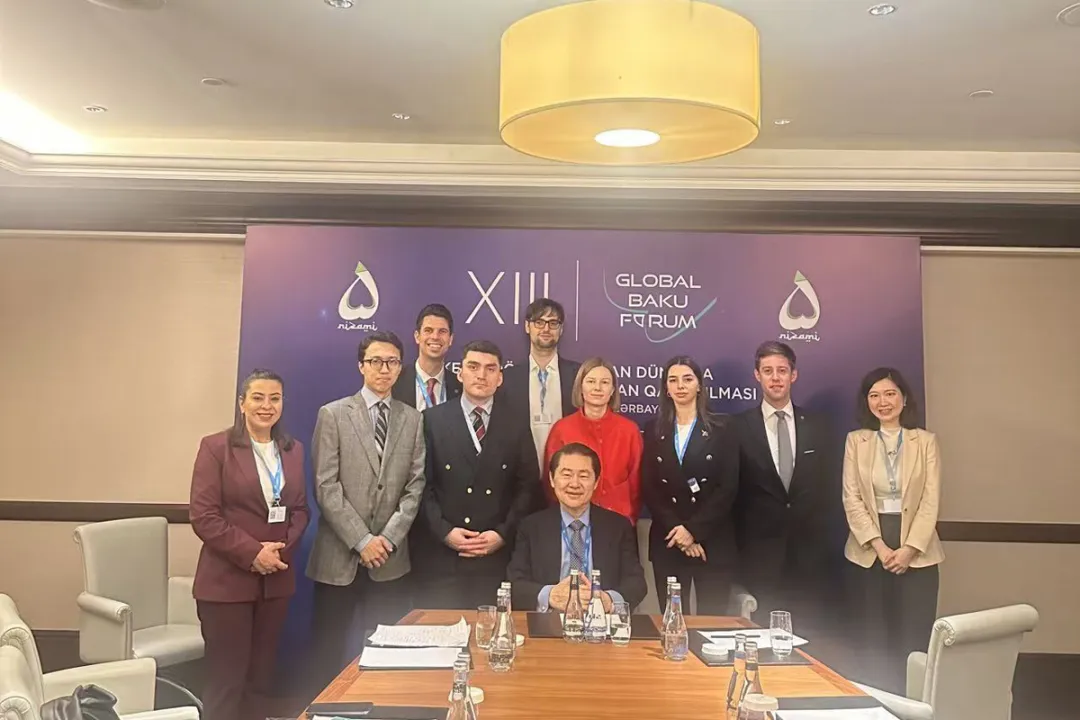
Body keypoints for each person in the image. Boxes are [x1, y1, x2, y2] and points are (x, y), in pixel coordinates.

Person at [306, 331, 426, 686]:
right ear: (361, 366)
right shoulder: (333, 414)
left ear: (400, 368)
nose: (384, 369)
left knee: (388, 657)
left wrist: (386, 540)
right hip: (338, 559)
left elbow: (415, 486)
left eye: (391, 362)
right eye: (375, 361)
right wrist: (362, 541)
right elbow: (326, 486)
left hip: (390, 560)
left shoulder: (413, 419)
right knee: (327, 655)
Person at [188, 369, 309, 720]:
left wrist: (278, 552)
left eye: (275, 398)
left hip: (275, 581)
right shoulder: (216, 447)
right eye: (258, 397)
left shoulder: (293, 450)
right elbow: (204, 515)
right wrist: (254, 553)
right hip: (227, 584)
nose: (266, 406)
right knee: (227, 682)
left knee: (260, 682)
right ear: (242, 403)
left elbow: (300, 510)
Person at [414, 340, 539, 608]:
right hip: (442, 559)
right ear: (459, 373)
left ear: (500, 378)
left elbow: (528, 486)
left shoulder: (516, 423)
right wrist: (445, 532)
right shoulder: (432, 420)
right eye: (473, 367)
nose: (481, 375)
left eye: (490, 368)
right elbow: (421, 485)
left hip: (496, 559)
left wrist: (502, 534)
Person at [843, 367, 943, 692]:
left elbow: (930, 499)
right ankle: (874, 703)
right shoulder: (856, 441)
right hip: (869, 550)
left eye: (889, 394)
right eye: (874, 395)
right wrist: (880, 547)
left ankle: (912, 704)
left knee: (913, 637)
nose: (882, 402)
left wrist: (909, 549)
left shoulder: (925, 441)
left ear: (904, 398)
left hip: (917, 549)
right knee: (872, 637)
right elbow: (851, 498)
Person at [733, 341, 838, 628]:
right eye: (768, 371)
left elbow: (829, 488)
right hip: (759, 556)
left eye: (782, 370)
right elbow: (733, 492)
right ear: (757, 376)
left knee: (809, 635)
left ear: (794, 375)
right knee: (763, 636)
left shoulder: (818, 425)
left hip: (810, 555)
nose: (775, 378)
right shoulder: (737, 427)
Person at [642, 356, 740, 615]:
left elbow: (728, 486)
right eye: (673, 380)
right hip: (670, 540)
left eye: (687, 379)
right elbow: (650, 487)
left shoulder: (723, 428)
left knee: (712, 625)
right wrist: (681, 534)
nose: (680, 386)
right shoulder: (653, 430)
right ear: (666, 388)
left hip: (712, 541)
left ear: (699, 385)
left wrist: (694, 531)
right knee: (673, 623)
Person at [508, 443, 647, 612]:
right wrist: (550, 595)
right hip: (550, 617)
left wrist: (608, 599)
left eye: (583, 476)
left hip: (600, 619)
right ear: (552, 479)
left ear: (596, 482)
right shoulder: (531, 526)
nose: (574, 484)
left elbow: (636, 582)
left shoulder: (618, 526)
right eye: (566, 475)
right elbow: (515, 583)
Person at [543, 357, 643, 524]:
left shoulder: (629, 430)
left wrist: (629, 519)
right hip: (571, 523)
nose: (597, 388)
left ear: (613, 390)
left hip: (618, 522)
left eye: (605, 382)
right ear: (580, 387)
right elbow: (550, 482)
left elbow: (637, 483)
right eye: (591, 381)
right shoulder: (561, 429)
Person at [499, 298, 581, 467]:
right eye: (539, 322)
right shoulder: (507, 379)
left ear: (561, 329)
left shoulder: (578, 376)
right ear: (527, 326)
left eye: (553, 323)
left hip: (567, 474)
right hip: (520, 474)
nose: (546, 329)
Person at [392, 303, 462, 411]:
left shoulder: (461, 387)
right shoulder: (394, 381)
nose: (435, 337)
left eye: (442, 331)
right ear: (417, 336)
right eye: (428, 330)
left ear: (450, 339)